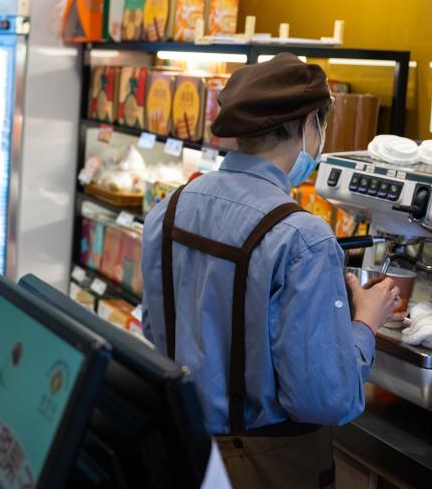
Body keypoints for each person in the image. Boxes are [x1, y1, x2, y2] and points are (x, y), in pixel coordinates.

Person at [140, 53, 403, 489]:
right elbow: (324, 398)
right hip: (261, 467)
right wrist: (365, 324)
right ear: (307, 126)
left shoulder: (169, 209)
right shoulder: (303, 238)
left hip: (179, 446)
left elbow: (155, 327)